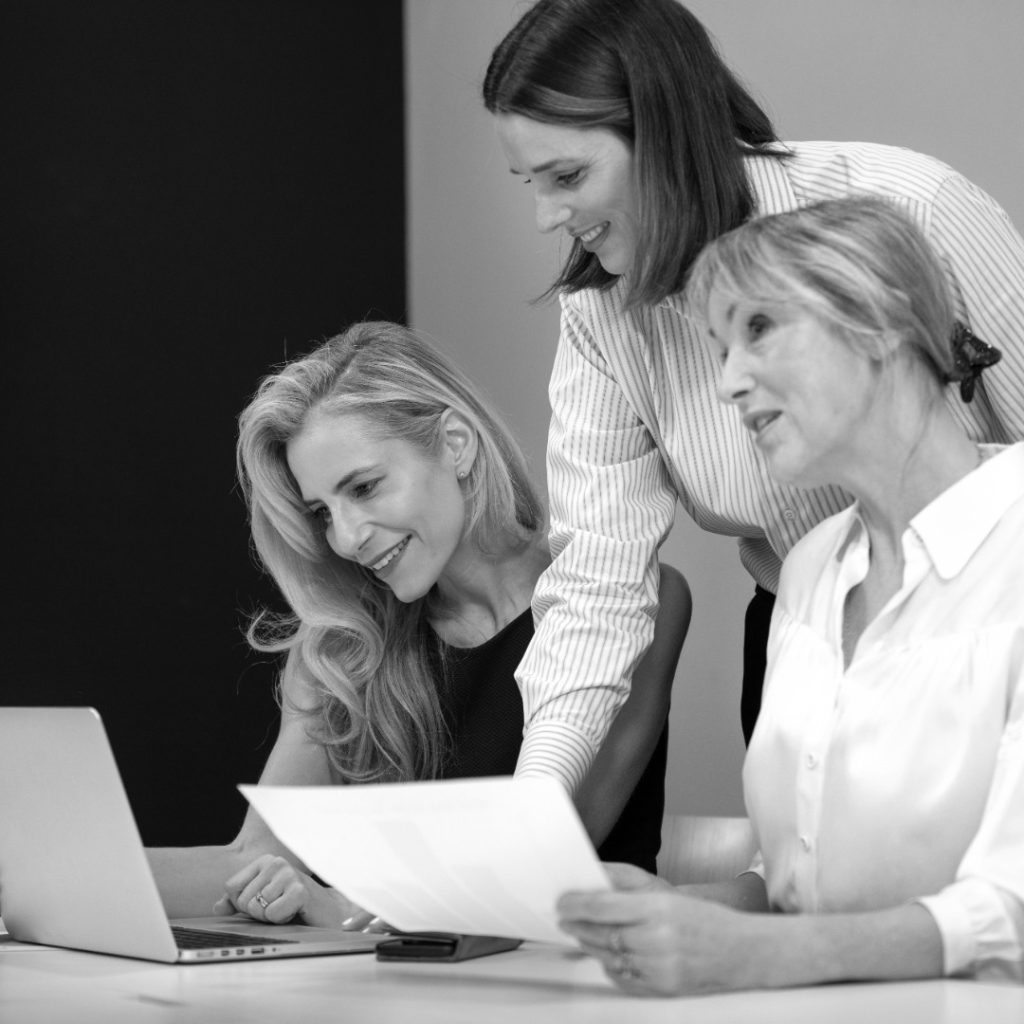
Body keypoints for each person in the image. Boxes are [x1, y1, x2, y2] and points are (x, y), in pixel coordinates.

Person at [481, 0, 1024, 793]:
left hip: (992, 614)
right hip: (805, 631)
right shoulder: (604, 316)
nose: (545, 217)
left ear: (664, 130)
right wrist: (535, 798)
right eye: (530, 182)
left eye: (567, 176)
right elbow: (598, 580)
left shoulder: (913, 209)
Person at [556, 196, 1024, 992]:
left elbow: (1008, 910)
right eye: (720, 348)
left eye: (760, 330)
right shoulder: (808, 569)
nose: (729, 383)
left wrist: (754, 955)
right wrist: (684, 909)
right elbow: (801, 879)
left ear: (881, 323)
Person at [146, 320, 691, 927]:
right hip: (390, 975)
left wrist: (341, 904)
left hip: (575, 970)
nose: (346, 538)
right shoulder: (342, 646)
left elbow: (545, 851)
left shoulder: (634, 602)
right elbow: (255, 861)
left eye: (364, 487)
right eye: (322, 512)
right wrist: (60, 873)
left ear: (456, 444)